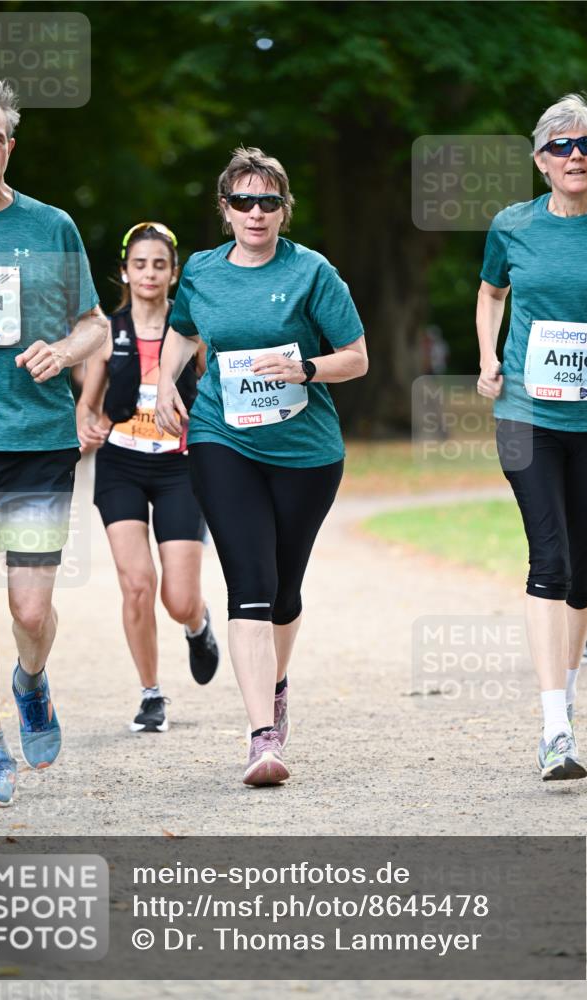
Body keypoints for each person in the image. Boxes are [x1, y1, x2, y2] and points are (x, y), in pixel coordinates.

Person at [155, 146, 368, 786]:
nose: (256, 212)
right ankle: (261, 737)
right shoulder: (200, 270)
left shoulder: (314, 273)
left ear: (283, 210)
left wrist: (306, 367)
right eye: (243, 201)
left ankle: (276, 684)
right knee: (247, 579)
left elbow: (356, 357)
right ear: (226, 209)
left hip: (306, 452)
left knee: (283, 588)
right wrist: (164, 378)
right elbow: (184, 330)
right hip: (224, 438)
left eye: (268, 202)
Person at [0, 76, 108, 807]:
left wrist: (66, 354)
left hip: (37, 440)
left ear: (12, 146)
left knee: (31, 612)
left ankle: (31, 682)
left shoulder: (51, 226)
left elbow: (96, 324)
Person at [476, 94, 587, 781]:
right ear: (538, 161)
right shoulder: (511, 225)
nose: (573, 155)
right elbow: (490, 292)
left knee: (586, 571)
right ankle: (552, 725)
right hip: (527, 416)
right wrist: (486, 355)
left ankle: (569, 696)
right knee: (548, 560)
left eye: (584, 143)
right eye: (559, 147)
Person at [77, 222, 219, 732]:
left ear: (173, 271)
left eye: (159, 264)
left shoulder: (194, 332)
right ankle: (151, 694)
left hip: (180, 467)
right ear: (124, 271)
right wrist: (87, 429)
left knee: (177, 597)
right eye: (140, 264)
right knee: (137, 585)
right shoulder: (106, 333)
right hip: (121, 467)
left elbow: (216, 394)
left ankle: (198, 625)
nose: (150, 273)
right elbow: (87, 409)